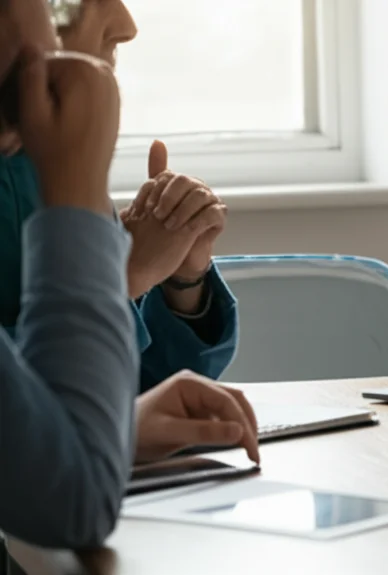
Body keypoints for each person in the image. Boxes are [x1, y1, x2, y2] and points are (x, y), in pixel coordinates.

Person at [0, 0, 258, 551]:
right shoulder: (48, 165)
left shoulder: (35, 156)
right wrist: (127, 275)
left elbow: (88, 388)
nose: (126, 24)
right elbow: (70, 499)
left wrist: (179, 282)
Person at [0, 0, 239, 394]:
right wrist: (119, 280)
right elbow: (34, 416)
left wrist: (181, 281)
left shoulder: (52, 156)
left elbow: (138, 390)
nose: (127, 26)